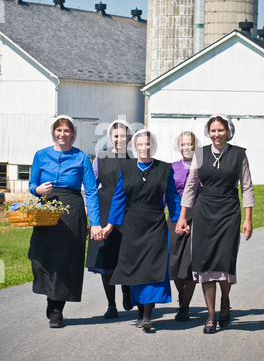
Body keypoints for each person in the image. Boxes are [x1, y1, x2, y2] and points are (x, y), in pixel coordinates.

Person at [176, 115, 254, 334]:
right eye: (213, 131)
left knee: (224, 262)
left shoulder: (239, 154)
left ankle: (225, 300)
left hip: (229, 211)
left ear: (228, 131)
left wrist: (248, 219)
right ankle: (210, 316)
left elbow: (246, 187)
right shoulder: (199, 155)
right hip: (204, 212)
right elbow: (191, 187)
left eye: (220, 130)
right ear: (208, 132)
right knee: (204, 262)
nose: (216, 134)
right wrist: (183, 216)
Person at [101, 129, 181, 331]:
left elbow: (172, 196)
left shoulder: (164, 168)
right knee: (136, 268)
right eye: (140, 144)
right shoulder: (126, 168)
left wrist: (179, 219)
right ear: (134, 147)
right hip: (132, 225)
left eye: (148, 144)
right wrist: (111, 224)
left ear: (152, 146)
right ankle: (139, 312)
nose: (144, 148)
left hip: (155, 224)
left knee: (152, 269)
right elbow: (119, 198)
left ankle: (147, 316)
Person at [28, 115, 102, 328]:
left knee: (65, 260)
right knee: (39, 256)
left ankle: (57, 309)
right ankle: (50, 296)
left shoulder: (81, 158)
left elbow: (90, 191)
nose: (62, 134)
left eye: (67, 131)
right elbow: (33, 183)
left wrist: (94, 222)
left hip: (72, 211)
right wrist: (37, 190)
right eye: (59, 130)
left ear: (73, 134)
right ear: (53, 132)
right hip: (46, 208)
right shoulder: (41, 155)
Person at [86, 119, 133, 318]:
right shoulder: (100, 158)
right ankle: (111, 305)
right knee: (106, 257)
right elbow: (91, 185)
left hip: (128, 208)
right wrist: (91, 215)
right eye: (116, 135)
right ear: (111, 137)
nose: (120, 139)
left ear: (129, 138)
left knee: (127, 254)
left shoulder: (135, 158)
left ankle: (127, 289)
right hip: (105, 206)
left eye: (123, 135)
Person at [168, 131, 201, 322]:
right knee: (173, 264)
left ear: (196, 146)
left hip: (197, 217)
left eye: (190, 144)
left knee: (189, 263)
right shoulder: (171, 168)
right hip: (174, 217)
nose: (186, 147)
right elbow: (164, 194)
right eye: (183, 144)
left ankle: (184, 306)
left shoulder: (204, 167)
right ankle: (182, 296)